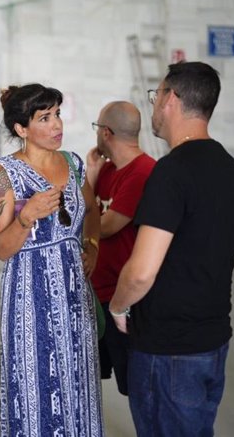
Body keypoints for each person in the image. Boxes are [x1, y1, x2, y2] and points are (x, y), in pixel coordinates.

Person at [109, 61, 234, 436]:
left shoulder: (171, 173)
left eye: (156, 96)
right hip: (212, 339)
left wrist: (119, 305)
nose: (153, 106)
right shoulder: (230, 169)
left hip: (167, 350)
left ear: (170, 98)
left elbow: (141, 271)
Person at [0, 84, 103, 436]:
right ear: (22, 129)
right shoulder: (4, 175)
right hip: (29, 300)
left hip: (74, 297)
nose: (57, 125)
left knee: (78, 378)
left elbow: (92, 211)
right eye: (45, 118)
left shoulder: (73, 163)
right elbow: (1, 248)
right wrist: (26, 216)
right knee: (34, 383)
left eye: (57, 115)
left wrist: (93, 246)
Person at [85, 101, 156, 396]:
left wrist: (84, 224)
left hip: (123, 299)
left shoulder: (143, 172)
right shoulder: (106, 169)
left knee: (136, 387)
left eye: (97, 128)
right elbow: (87, 213)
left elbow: (107, 225)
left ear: (105, 132)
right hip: (97, 293)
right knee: (94, 377)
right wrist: (90, 174)